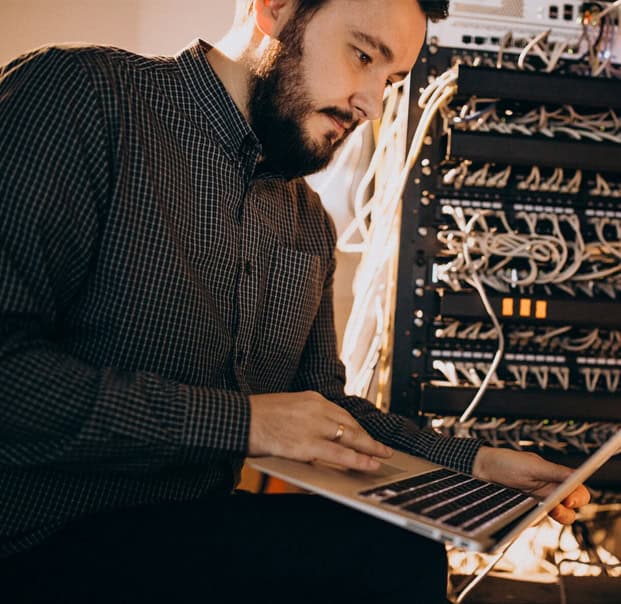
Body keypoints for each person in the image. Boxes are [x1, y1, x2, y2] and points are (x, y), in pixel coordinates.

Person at [0, 0, 590, 602]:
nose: (371, 104)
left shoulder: (307, 222)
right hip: (37, 540)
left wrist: (475, 464)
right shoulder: (80, 98)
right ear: (275, 8)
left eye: (388, 81)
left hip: (187, 534)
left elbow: (324, 412)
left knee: (403, 550)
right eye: (363, 55)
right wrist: (244, 422)